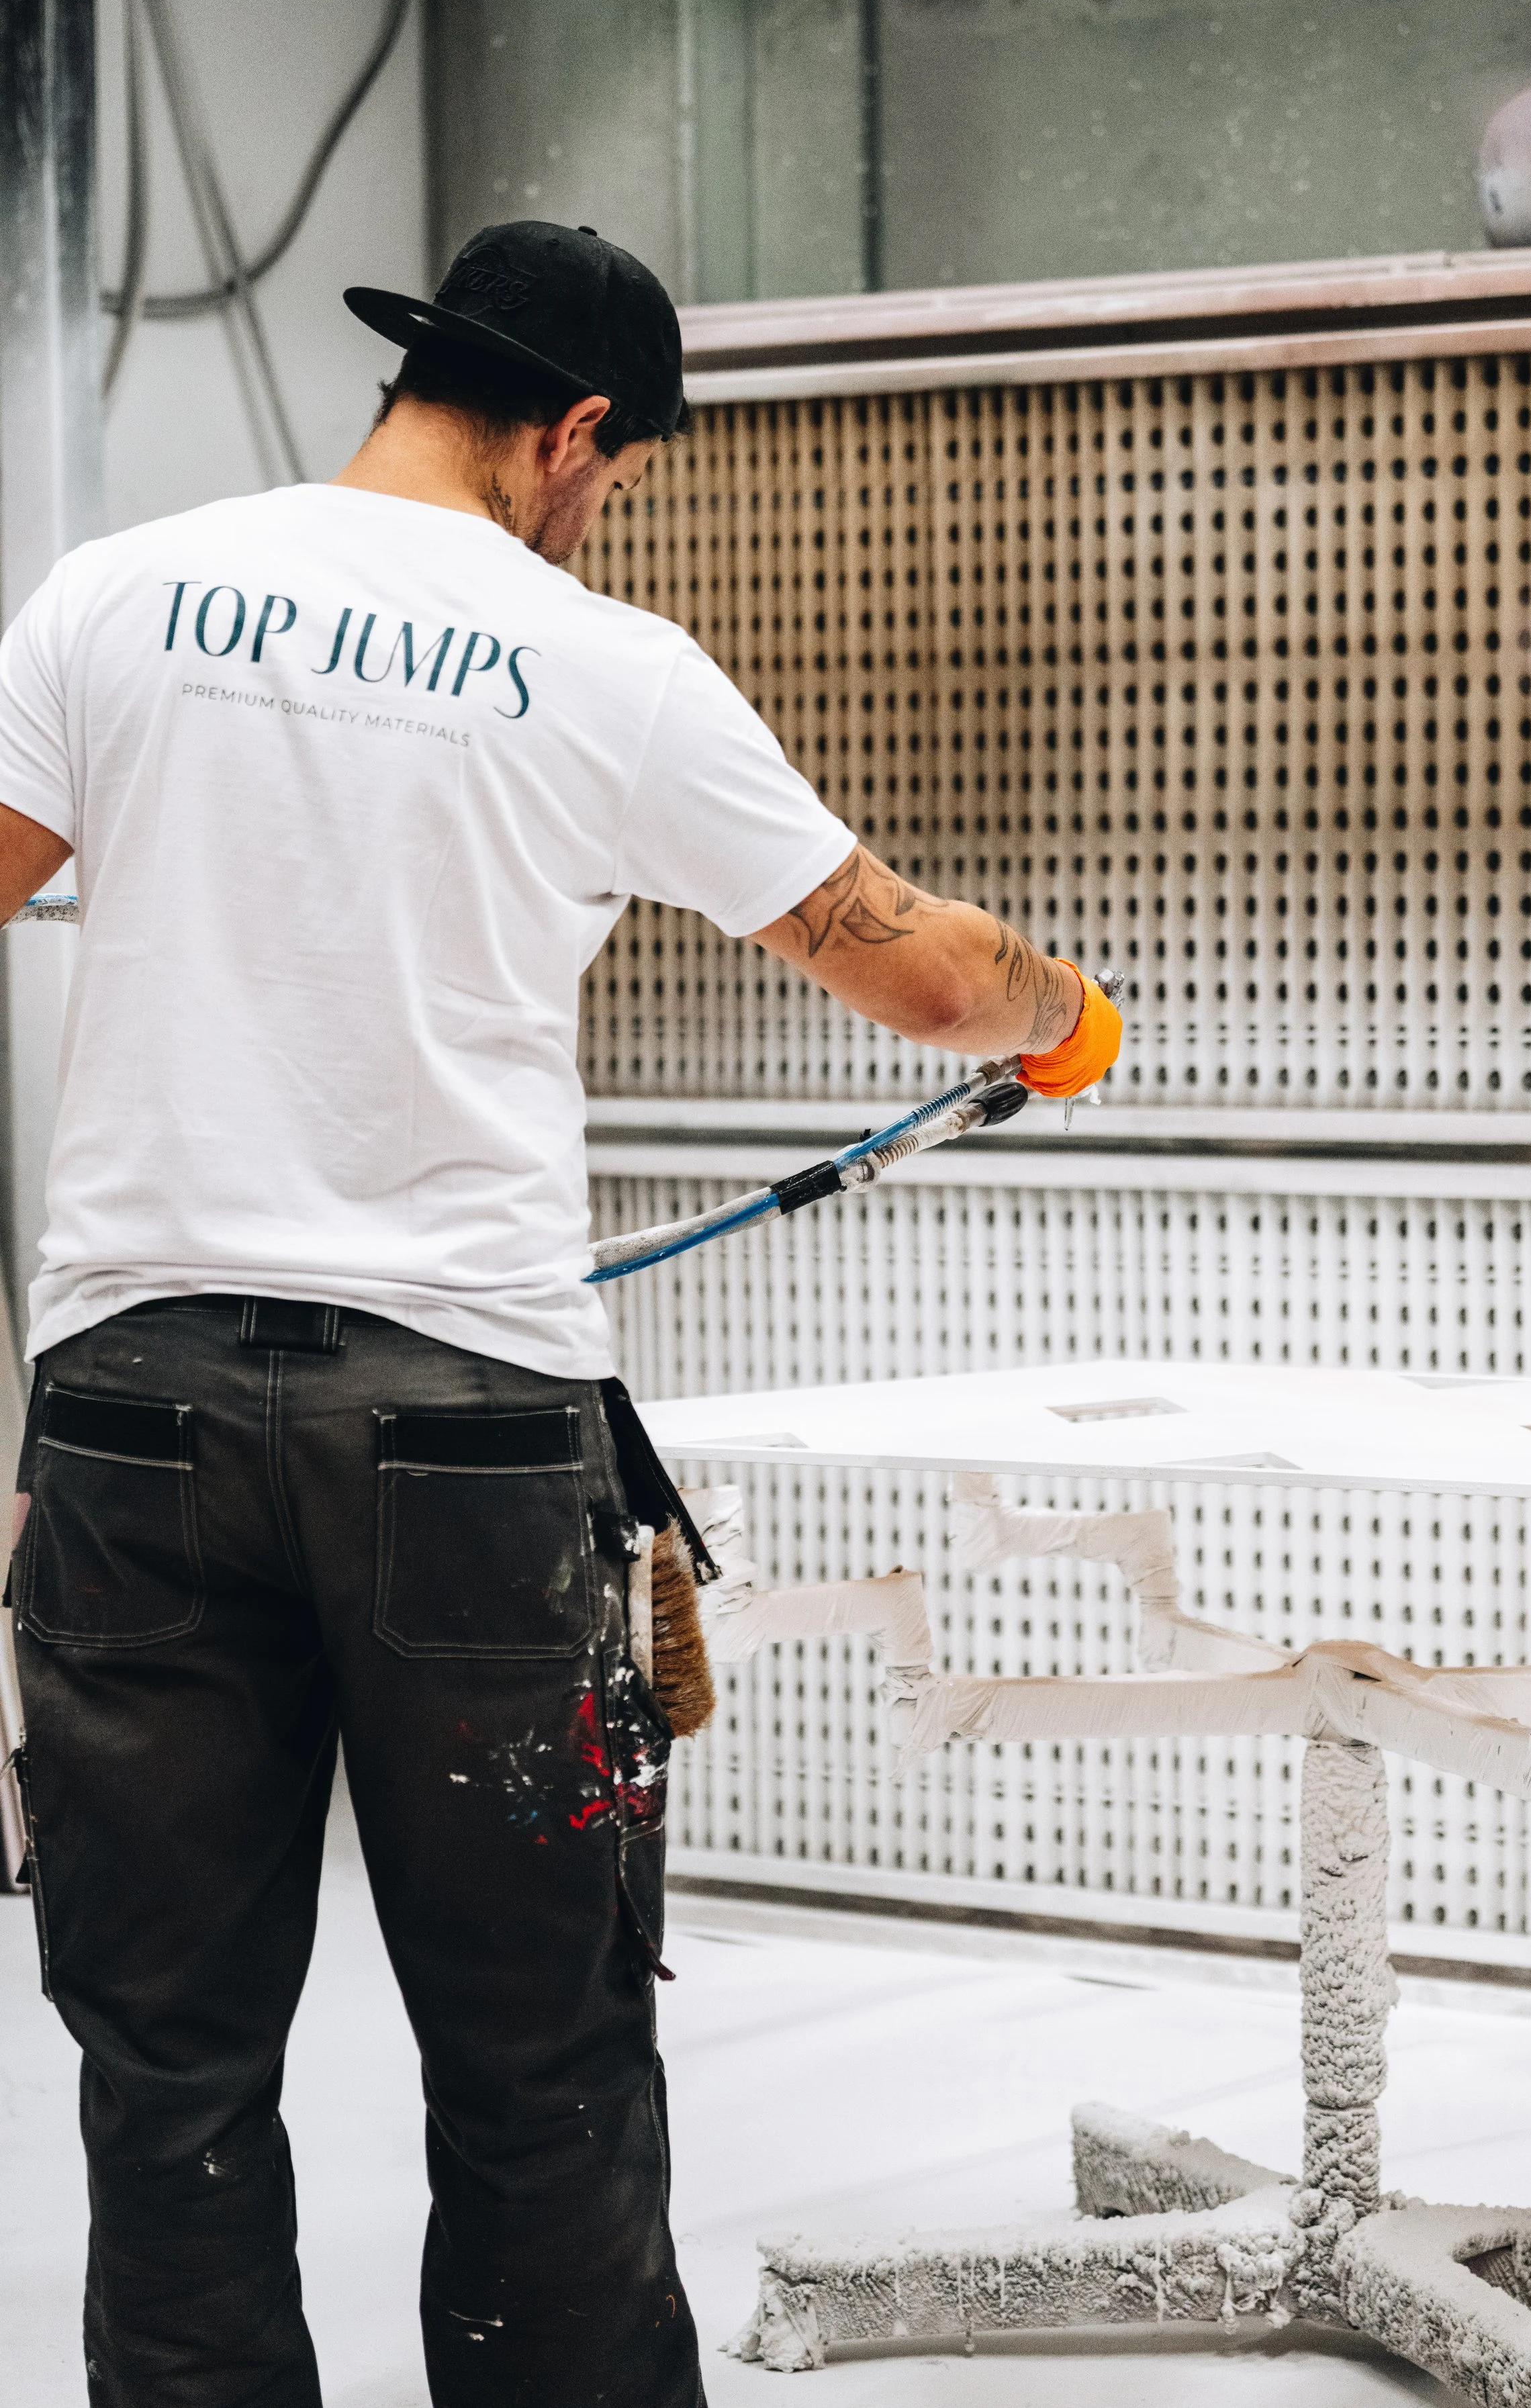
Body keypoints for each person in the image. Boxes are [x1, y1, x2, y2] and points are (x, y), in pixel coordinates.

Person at [0, 222, 1123, 2408]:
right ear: (572, 431)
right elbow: (903, 959)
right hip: (465, 1441)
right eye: (614, 469)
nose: (604, 508)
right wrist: (1059, 1013)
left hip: (130, 1413)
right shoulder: (603, 666)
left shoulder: (115, 593)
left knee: (167, 2066)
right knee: (538, 2058)